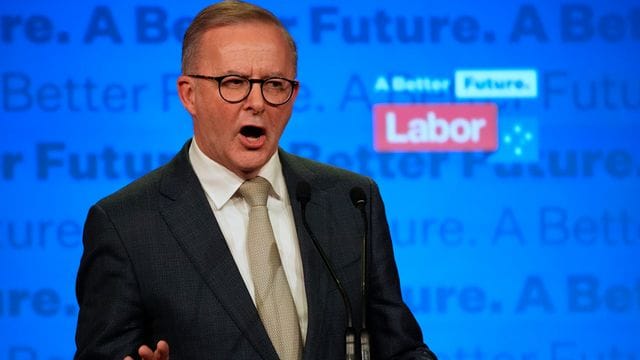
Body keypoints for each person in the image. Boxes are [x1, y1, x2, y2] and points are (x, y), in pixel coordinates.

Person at [74, 1, 437, 359]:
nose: (257, 102)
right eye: (233, 82)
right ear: (189, 94)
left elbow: (400, 348)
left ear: (293, 95)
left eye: (274, 84)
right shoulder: (125, 224)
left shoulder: (351, 200)